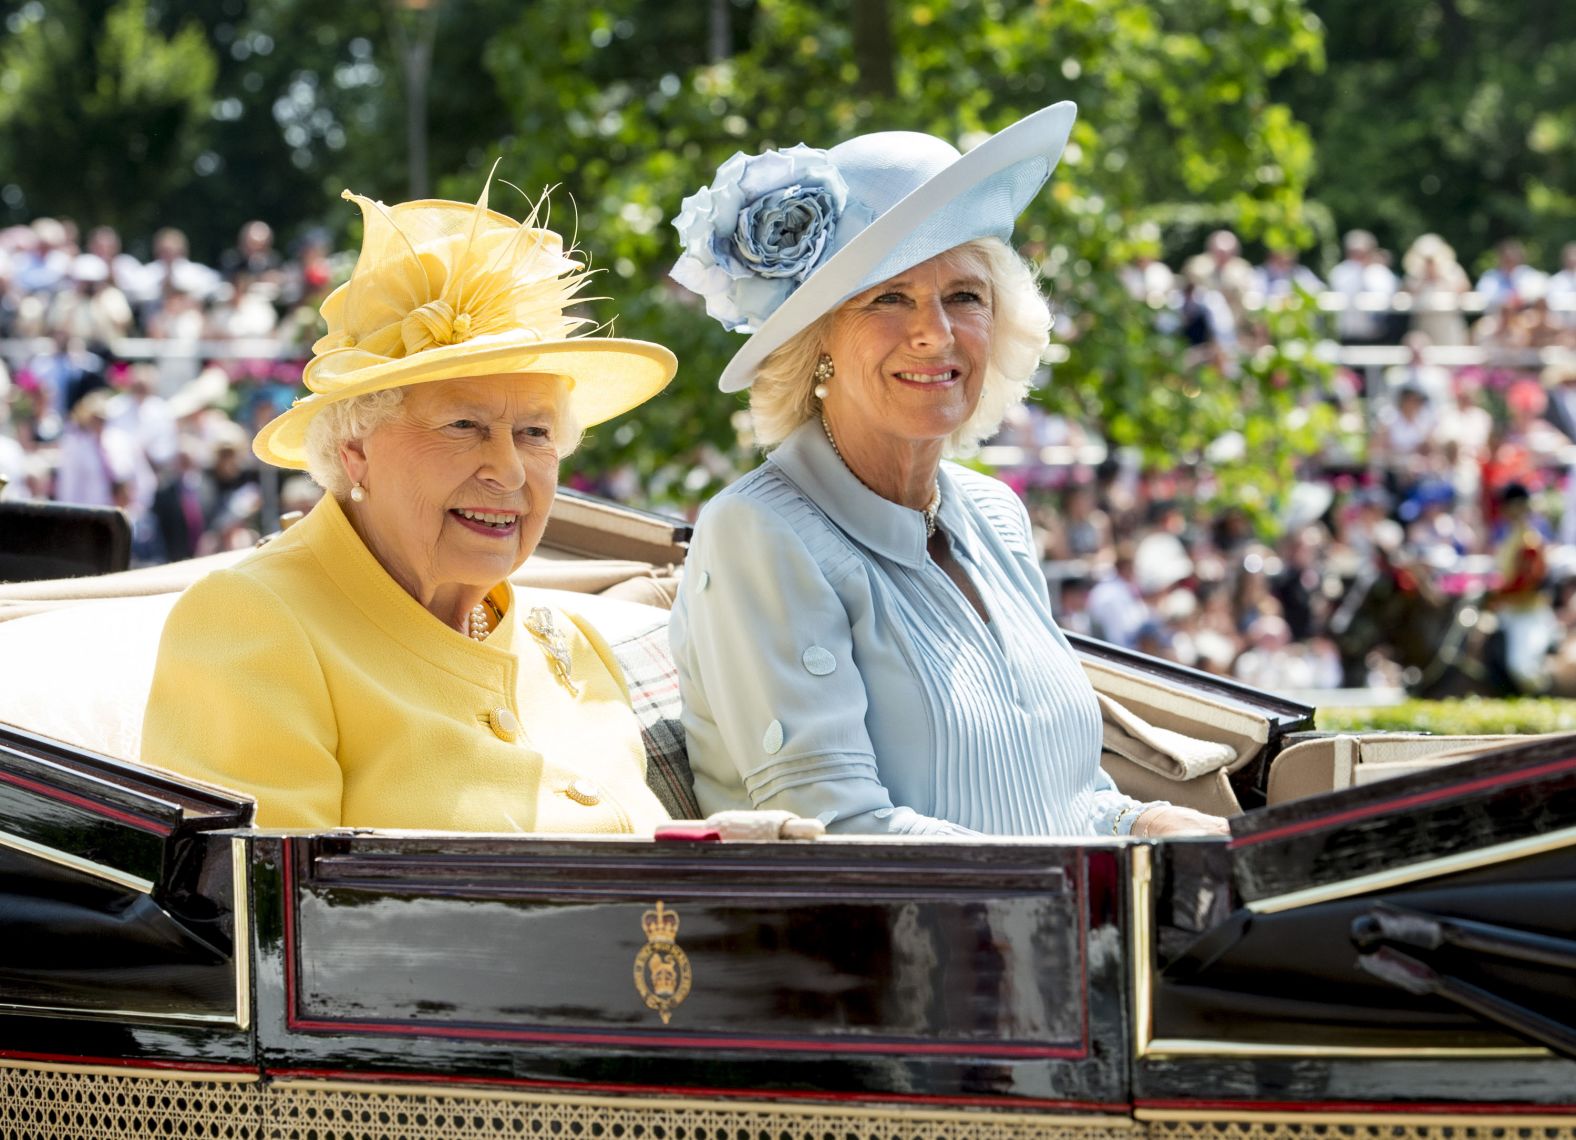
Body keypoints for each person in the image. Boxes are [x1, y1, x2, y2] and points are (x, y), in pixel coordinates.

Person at [667, 103, 1225, 839]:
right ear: (818, 340)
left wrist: (1149, 822)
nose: (934, 331)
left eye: (964, 296)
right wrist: (1086, 882)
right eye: (889, 297)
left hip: (1068, 927)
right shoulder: (760, 534)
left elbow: (1063, 800)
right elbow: (834, 835)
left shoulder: (995, 515)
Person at [142, 175, 678, 832]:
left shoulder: (565, 638)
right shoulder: (255, 624)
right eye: (463, 426)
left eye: (535, 433)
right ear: (354, 450)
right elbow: (267, 922)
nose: (509, 470)